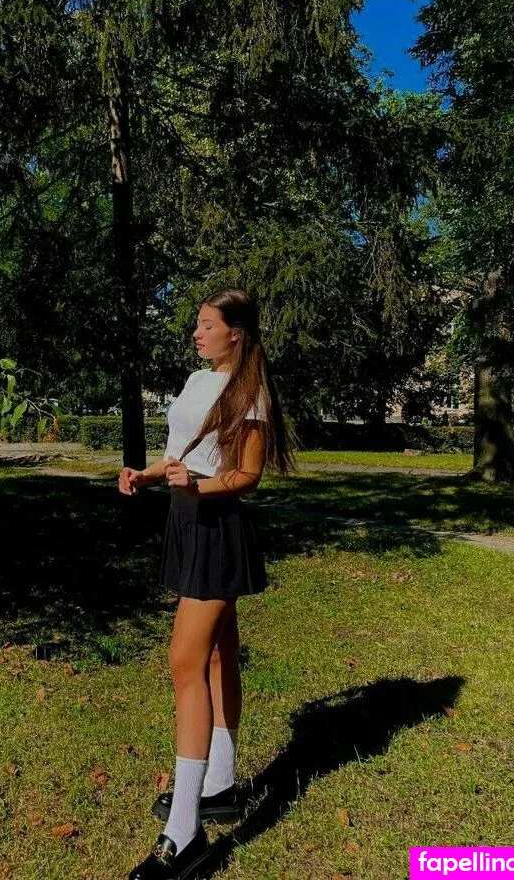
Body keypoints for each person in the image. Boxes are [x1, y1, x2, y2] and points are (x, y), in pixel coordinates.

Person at [118, 288, 297, 880]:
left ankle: (185, 830)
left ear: (235, 332)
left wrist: (197, 489)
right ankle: (219, 785)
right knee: (218, 653)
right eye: (197, 324)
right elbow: (182, 456)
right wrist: (145, 475)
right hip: (185, 518)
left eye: (206, 324)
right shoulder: (198, 381)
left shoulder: (250, 392)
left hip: (217, 527)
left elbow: (247, 474)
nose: (196, 333)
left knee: (184, 660)